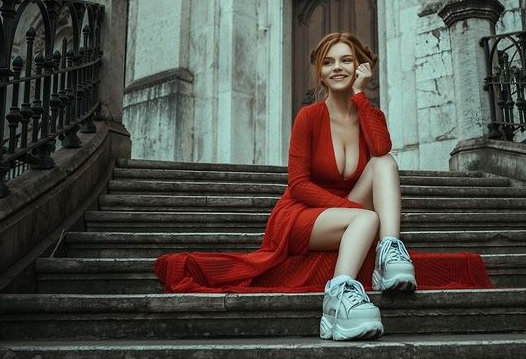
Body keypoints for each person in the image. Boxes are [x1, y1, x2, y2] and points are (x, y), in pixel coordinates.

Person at [153, 32, 492, 341]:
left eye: (346, 60)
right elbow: (298, 184)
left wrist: (360, 96)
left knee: (385, 163)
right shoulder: (309, 117)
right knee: (366, 220)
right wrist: (355, 211)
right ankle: (339, 300)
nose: (337, 68)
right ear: (320, 71)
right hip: (302, 214)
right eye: (329, 62)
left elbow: (381, 150)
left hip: (345, 213)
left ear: (360, 67)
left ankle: (389, 252)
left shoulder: (370, 115)